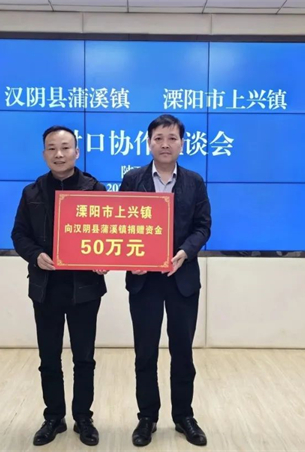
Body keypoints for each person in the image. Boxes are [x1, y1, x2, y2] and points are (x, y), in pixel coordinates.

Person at [11, 125, 108, 447]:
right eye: (52, 148)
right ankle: (54, 417)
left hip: (85, 288)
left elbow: (109, 234)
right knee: (49, 357)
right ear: (44, 154)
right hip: (46, 287)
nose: (59, 154)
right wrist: (35, 255)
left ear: (77, 152)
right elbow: (19, 235)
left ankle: (83, 417)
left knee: (84, 358)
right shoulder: (32, 192)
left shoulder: (95, 190)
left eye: (65, 147)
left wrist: (105, 258)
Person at [119, 114, 212, 447]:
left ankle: (184, 416)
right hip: (144, 281)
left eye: (172, 138)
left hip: (181, 278)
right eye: (159, 138)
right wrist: (132, 259)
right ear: (149, 143)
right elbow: (121, 225)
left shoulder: (194, 181)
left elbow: (203, 226)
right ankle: (147, 417)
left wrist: (184, 253)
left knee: (182, 352)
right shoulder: (133, 179)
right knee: (145, 352)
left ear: (181, 143)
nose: (165, 144)